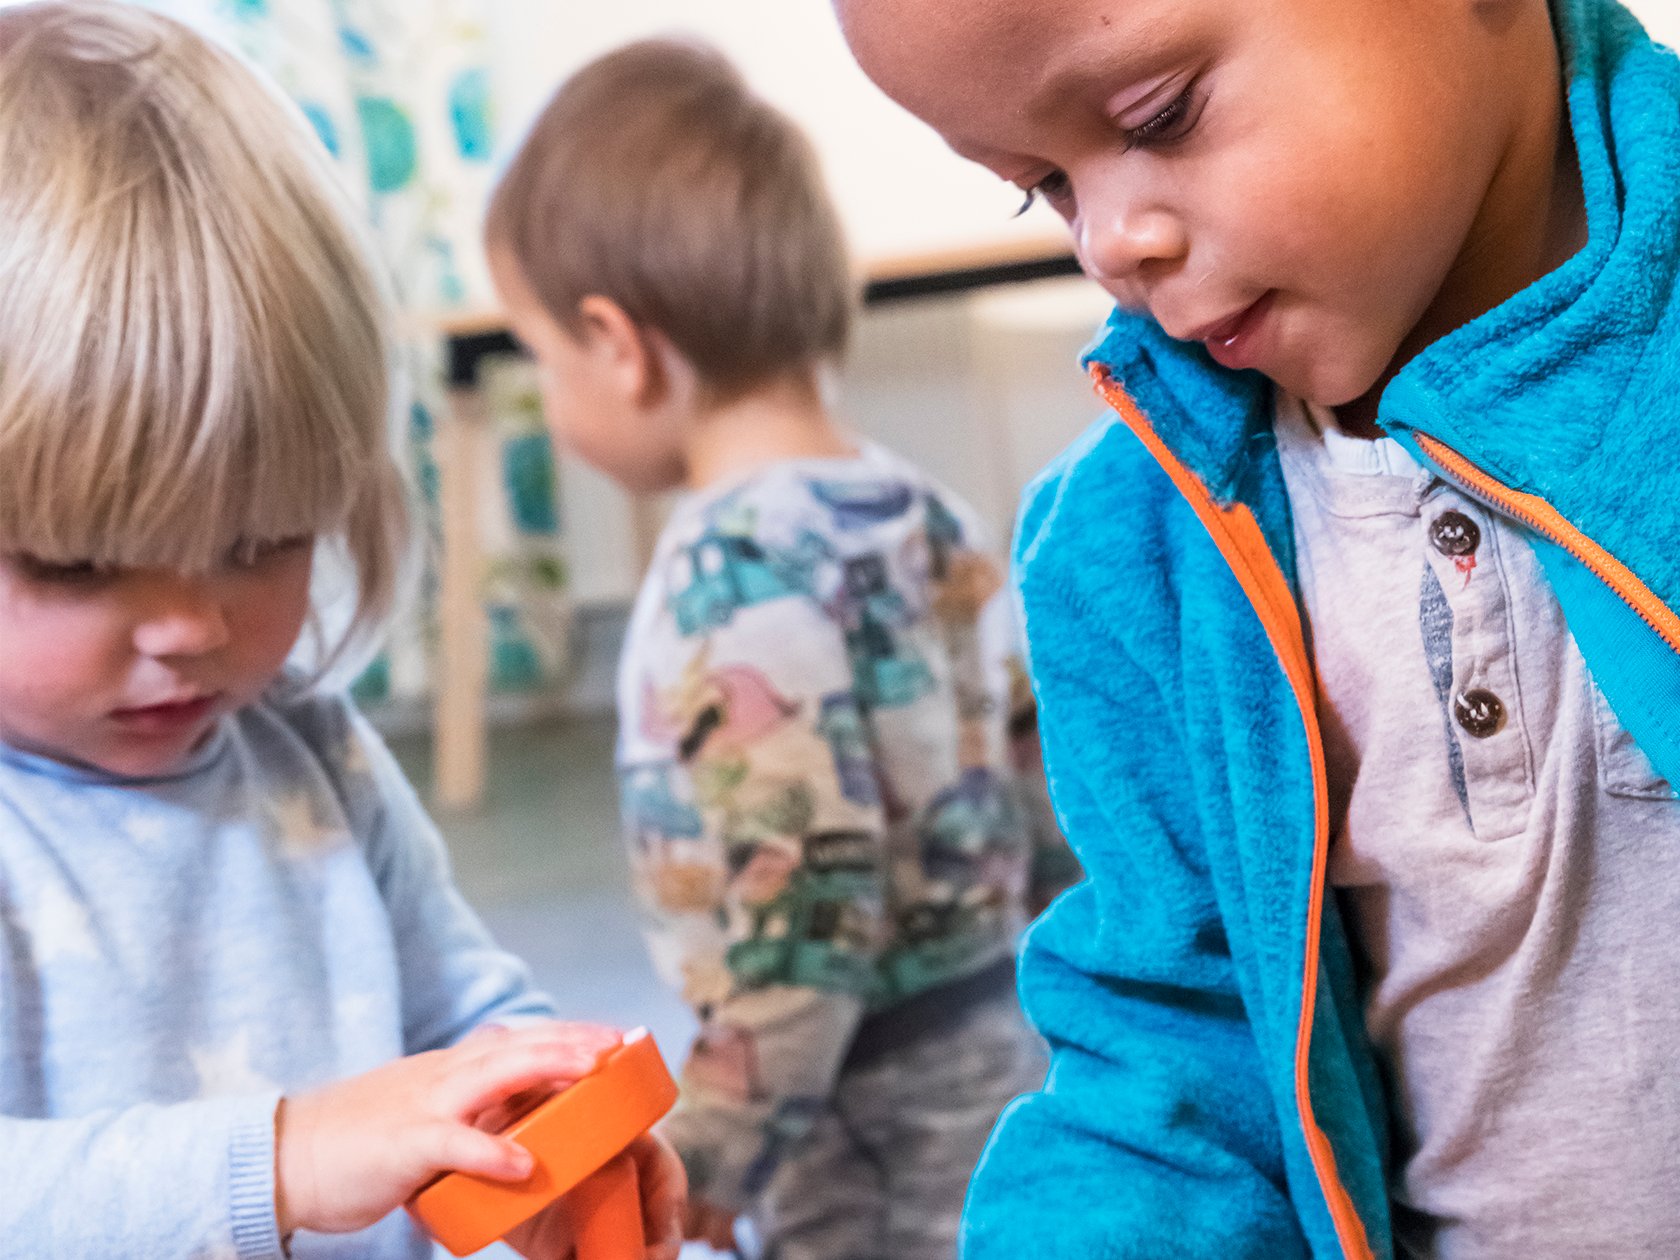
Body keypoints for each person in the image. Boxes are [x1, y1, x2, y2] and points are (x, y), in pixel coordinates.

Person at [833, 0, 1680, 1256]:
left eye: (1158, 115)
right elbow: (1172, 1065)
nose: (1113, 243)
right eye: (1044, 188)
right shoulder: (1130, 550)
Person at [0, 5, 683, 1256]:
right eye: (82, 564)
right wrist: (278, 1158)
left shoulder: (311, 752)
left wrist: (540, 1121)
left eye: (258, 542)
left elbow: (458, 1010)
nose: (191, 624)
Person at [485, 39, 1054, 1260]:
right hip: (1008, 1055)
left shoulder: (724, 582)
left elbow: (807, 914)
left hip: (853, 1118)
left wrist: (712, 1156)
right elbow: (1046, 789)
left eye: (541, 359)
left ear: (617, 343)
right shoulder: (924, 508)